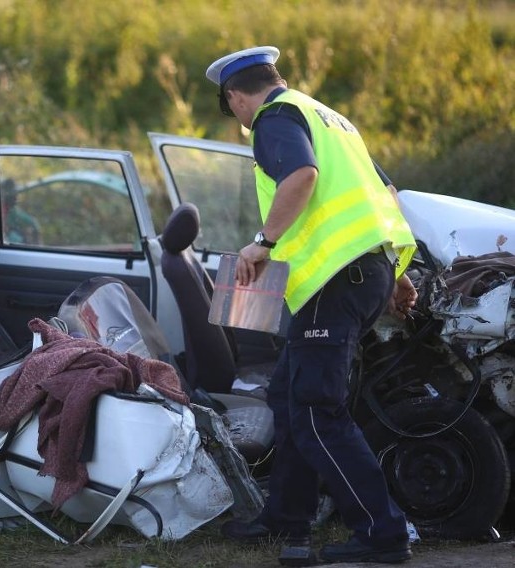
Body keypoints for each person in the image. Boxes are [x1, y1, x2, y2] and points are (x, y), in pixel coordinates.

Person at [205, 46, 418, 565]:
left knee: (319, 410)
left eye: (231, 107)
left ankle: (383, 535)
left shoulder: (274, 118)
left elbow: (301, 176)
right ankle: (286, 515)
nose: (236, 116)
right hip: (366, 273)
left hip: (333, 283)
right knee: (288, 395)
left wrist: (263, 241)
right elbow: (386, 191)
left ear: (235, 96)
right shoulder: (333, 119)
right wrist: (397, 272)